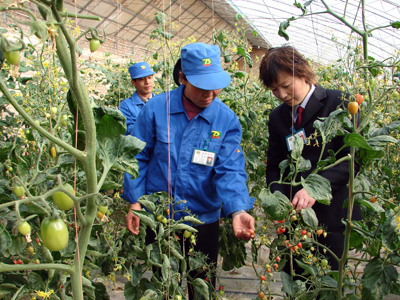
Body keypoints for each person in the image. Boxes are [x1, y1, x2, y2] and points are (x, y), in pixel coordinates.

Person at [123, 42, 255, 298]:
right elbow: (136, 157)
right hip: (161, 218)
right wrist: (136, 201)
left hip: (203, 219)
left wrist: (238, 209)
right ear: (182, 77)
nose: (209, 93)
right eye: (201, 86)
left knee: (202, 285)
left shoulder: (225, 120)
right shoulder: (156, 109)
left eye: (214, 85)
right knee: (165, 284)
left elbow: (230, 168)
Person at [259, 46, 362, 277]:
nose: (282, 95)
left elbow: (354, 159)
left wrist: (313, 189)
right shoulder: (277, 117)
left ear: (303, 73)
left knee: (326, 283)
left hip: (332, 218)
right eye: (274, 90)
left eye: (286, 86)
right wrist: (277, 202)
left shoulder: (341, 102)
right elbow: (274, 165)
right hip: (294, 220)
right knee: (296, 282)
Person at [119, 61, 155, 135]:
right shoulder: (126, 106)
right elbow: (129, 132)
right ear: (133, 83)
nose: (147, 82)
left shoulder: (161, 102)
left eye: (149, 77)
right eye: (142, 79)